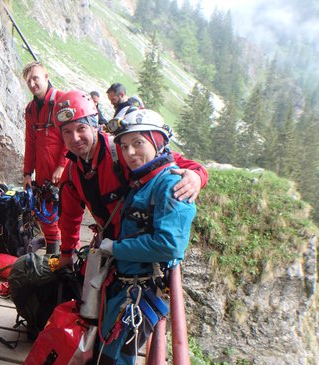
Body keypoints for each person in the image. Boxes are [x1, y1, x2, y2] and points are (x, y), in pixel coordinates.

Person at [93, 108, 196, 365]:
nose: (130, 152)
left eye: (138, 143)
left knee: (115, 363)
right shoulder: (146, 179)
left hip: (137, 294)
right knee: (109, 355)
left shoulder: (171, 183)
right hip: (127, 287)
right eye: (124, 146)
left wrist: (116, 247)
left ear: (157, 141)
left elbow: (169, 244)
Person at [52, 89, 206, 269]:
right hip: (111, 249)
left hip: (141, 252)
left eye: (81, 128)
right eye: (67, 132)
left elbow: (169, 160)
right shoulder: (72, 173)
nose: (75, 138)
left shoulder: (122, 149)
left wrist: (197, 176)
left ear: (95, 125)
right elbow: (69, 217)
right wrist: (66, 253)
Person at [22, 61, 68, 254]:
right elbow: (30, 143)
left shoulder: (62, 101)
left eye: (36, 78)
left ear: (46, 77)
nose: (33, 83)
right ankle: (53, 255)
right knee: (46, 213)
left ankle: (65, 255)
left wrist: (62, 165)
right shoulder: (31, 109)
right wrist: (27, 173)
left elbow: (69, 136)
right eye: (28, 81)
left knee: (66, 213)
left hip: (63, 170)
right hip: (42, 169)